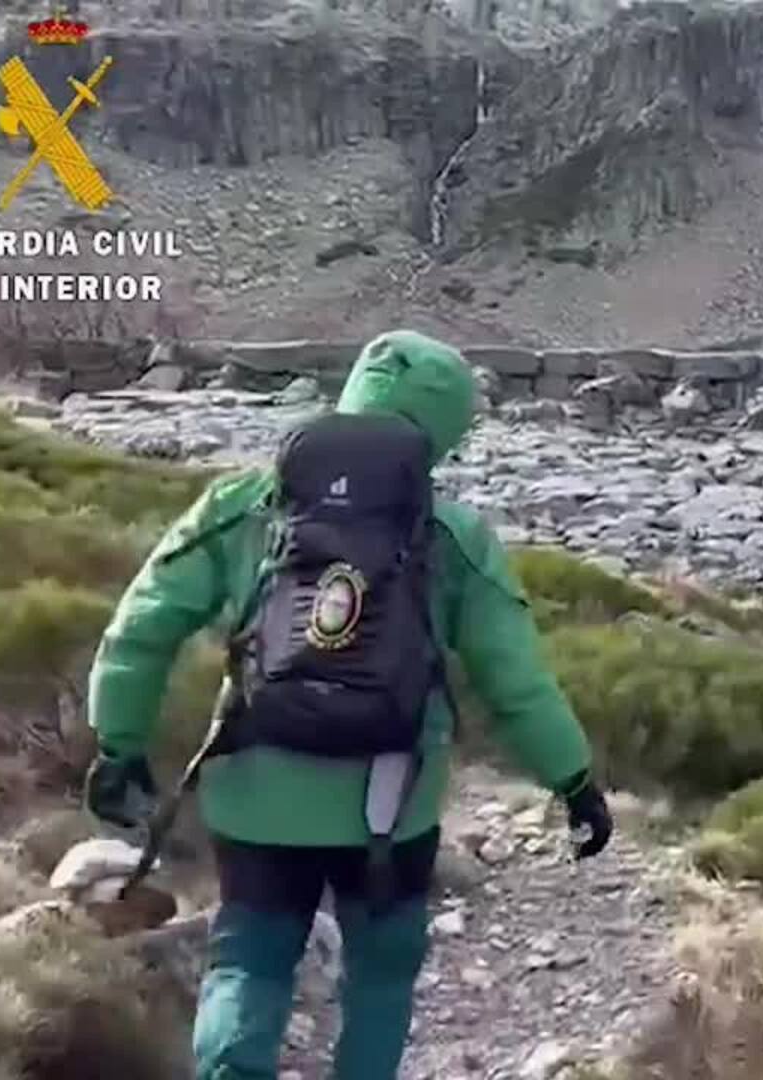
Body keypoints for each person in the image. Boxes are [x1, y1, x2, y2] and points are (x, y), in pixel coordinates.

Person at [81, 329, 612, 1080]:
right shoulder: (454, 534)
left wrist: (119, 743)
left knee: (249, 961)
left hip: (258, 796)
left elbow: (140, 631)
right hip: (392, 809)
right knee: (382, 978)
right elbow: (516, 682)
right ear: (444, 432)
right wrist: (574, 781)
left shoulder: (241, 506)